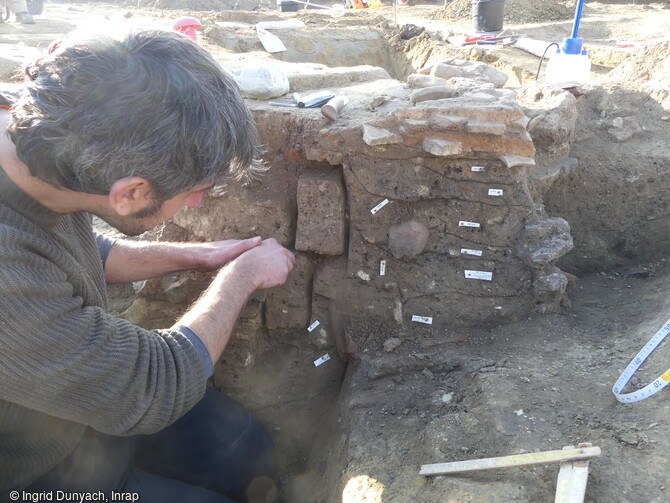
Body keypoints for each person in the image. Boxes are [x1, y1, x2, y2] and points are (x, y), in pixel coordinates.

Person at [0, 29, 295, 502]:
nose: (200, 199)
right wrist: (241, 278)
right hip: (36, 476)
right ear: (131, 193)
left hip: (74, 411)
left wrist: (194, 255)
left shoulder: (38, 141)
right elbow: (151, 388)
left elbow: (69, 251)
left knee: (246, 449)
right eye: (197, 188)